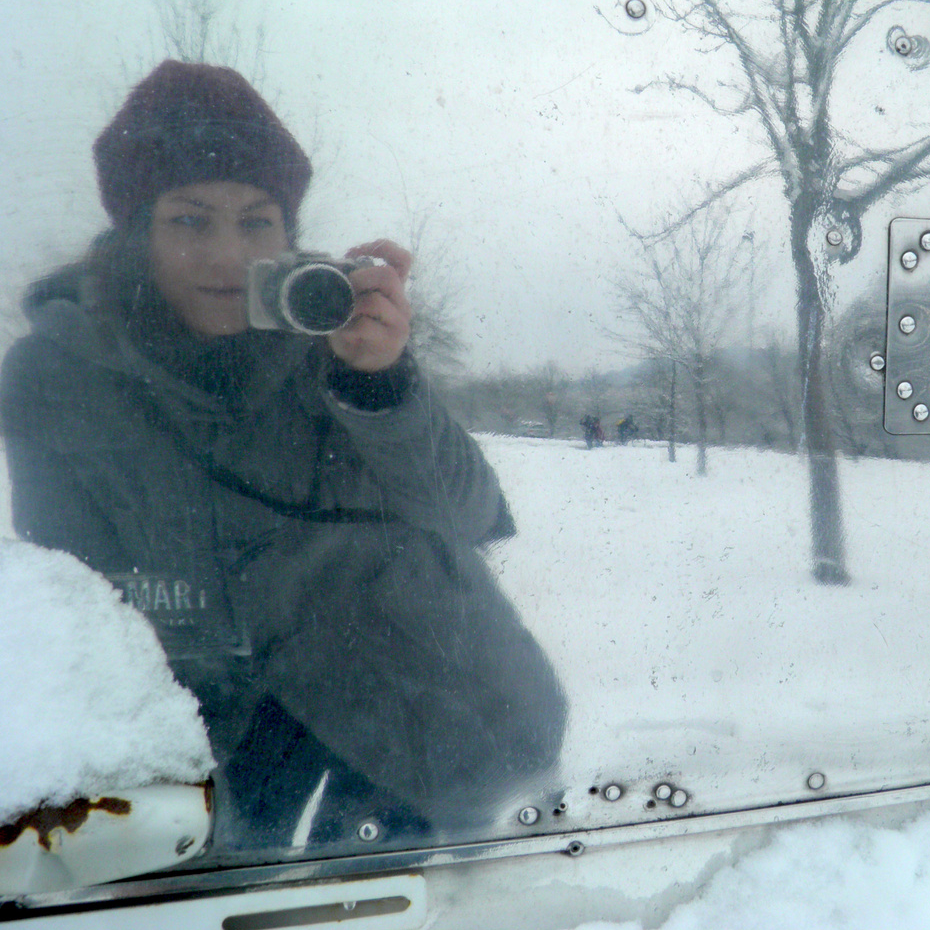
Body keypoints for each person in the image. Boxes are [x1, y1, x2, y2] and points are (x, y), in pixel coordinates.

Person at [0, 61, 566, 853]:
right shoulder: (56, 377)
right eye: (190, 221)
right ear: (137, 232)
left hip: (441, 714)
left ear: (289, 236)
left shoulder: (330, 334)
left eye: (257, 222)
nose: (228, 257)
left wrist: (380, 385)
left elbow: (469, 514)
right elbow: (76, 603)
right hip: (217, 727)